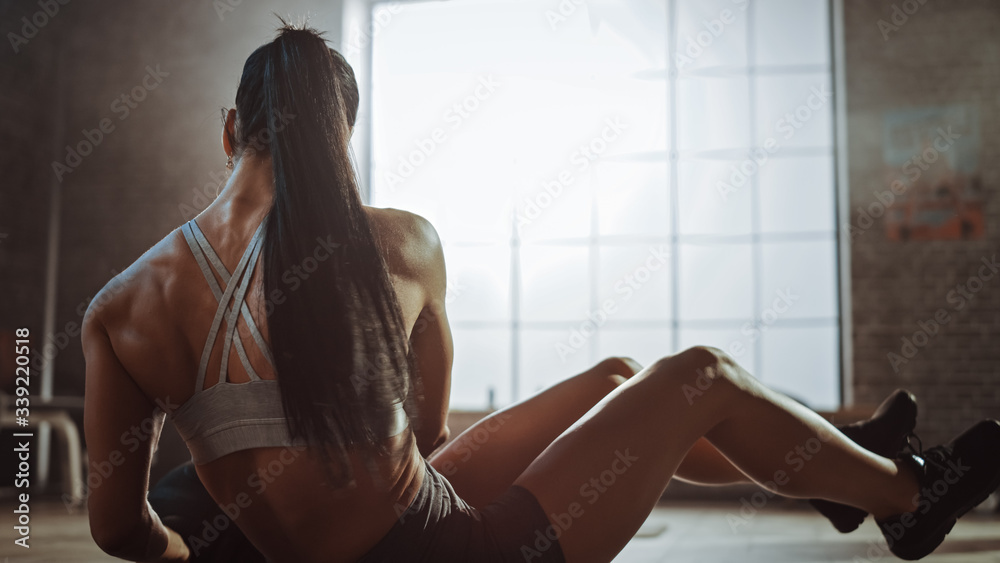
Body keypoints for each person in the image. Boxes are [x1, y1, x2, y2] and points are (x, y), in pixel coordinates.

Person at [81, 21, 1000, 563]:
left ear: (231, 127)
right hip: (450, 550)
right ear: (340, 139)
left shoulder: (122, 304)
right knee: (699, 375)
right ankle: (905, 495)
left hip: (365, 534)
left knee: (615, 376)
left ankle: (826, 476)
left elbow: (121, 529)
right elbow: (429, 440)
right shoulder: (402, 244)